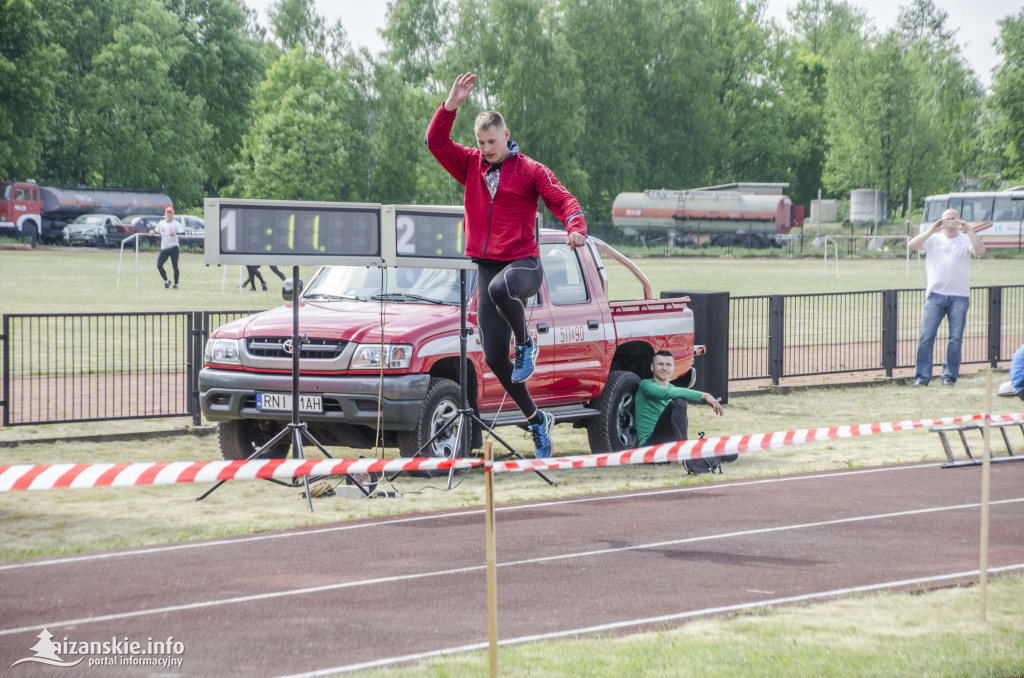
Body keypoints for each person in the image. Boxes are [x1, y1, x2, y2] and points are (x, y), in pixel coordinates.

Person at [426, 72, 588, 458]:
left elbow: (562, 198)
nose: (486, 149)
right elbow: (435, 142)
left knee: (500, 288)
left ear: (506, 135)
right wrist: (451, 105)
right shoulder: (469, 165)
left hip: (524, 265)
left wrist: (576, 225)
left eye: (492, 142)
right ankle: (537, 420)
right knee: (496, 358)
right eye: (481, 143)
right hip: (486, 264)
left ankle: (527, 344)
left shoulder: (530, 169)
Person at [908, 208, 985, 386]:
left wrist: (969, 229)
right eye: (947, 219)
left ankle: (949, 377)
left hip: (959, 296)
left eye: (953, 219)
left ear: (959, 221)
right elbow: (912, 246)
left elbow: (980, 251)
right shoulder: (933, 239)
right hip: (935, 295)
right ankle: (922, 377)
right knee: (926, 336)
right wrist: (932, 229)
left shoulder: (965, 239)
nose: (950, 222)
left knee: (955, 338)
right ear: (942, 222)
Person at [635, 350, 728, 471]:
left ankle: (686, 455)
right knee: (679, 402)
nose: (664, 368)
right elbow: (668, 393)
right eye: (660, 364)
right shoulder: (646, 385)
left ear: (673, 368)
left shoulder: (673, 388)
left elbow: (672, 391)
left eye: (668, 365)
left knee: (728, 453)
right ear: (652, 368)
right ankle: (684, 455)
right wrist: (704, 395)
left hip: (669, 447)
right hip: (650, 447)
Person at [150, 206, 185, 289]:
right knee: (159, 265)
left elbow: (183, 234)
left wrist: (175, 234)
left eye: (170, 213)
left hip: (174, 247)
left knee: (175, 266)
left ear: (173, 214)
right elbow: (155, 231)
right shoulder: (161, 223)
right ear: (165, 214)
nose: (169, 214)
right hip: (164, 248)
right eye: (167, 213)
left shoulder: (176, 224)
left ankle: (176, 284)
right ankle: (166, 281)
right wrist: (152, 232)